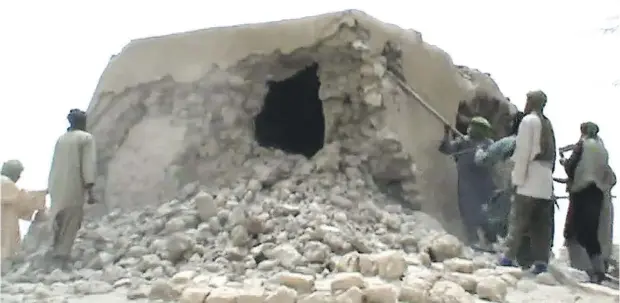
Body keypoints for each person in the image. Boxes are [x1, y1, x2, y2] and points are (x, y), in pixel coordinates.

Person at [499, 90, 556, 274]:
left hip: (530, 177)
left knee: (518, 219)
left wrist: (517, 179)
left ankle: (508, 258)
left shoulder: (528, 121)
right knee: (541, 225)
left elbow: (524, 153)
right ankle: (541, 263)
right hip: (545, 181)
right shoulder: (548, 123)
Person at [562, 122, 616, 283]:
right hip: (597, 192)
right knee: (592, 232)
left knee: (575, 230)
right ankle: (598, 269)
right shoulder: (603, 149)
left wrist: (564, 163)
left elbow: (571, 167)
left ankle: (582, 268)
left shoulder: (582, 144)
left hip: (582, 190)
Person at [47, 109, 97, 270]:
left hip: (56, 184)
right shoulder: (86, 138)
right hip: (74, 184)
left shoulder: (61, 139)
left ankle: (53, 251)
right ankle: (61, 256)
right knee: (72, 218)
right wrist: (90, 188)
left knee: (58, 217)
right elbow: (88, 164)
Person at [439, 116, 496, 247]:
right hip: (466, 183)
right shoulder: (463, 141)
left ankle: (491, 241)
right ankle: (473, 240)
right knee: (467, 211)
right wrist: (446, 134)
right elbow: (446, 149)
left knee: (484, 214)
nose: (470, 129)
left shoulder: (489, 144)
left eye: (474, 127)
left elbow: (492, 159)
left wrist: (480, 150)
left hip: (483, 183)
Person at [1, 160, 47, 263]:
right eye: (18, 174)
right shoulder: (5, 183)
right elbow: (23, 200)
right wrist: (42, 194)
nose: (19, 177)